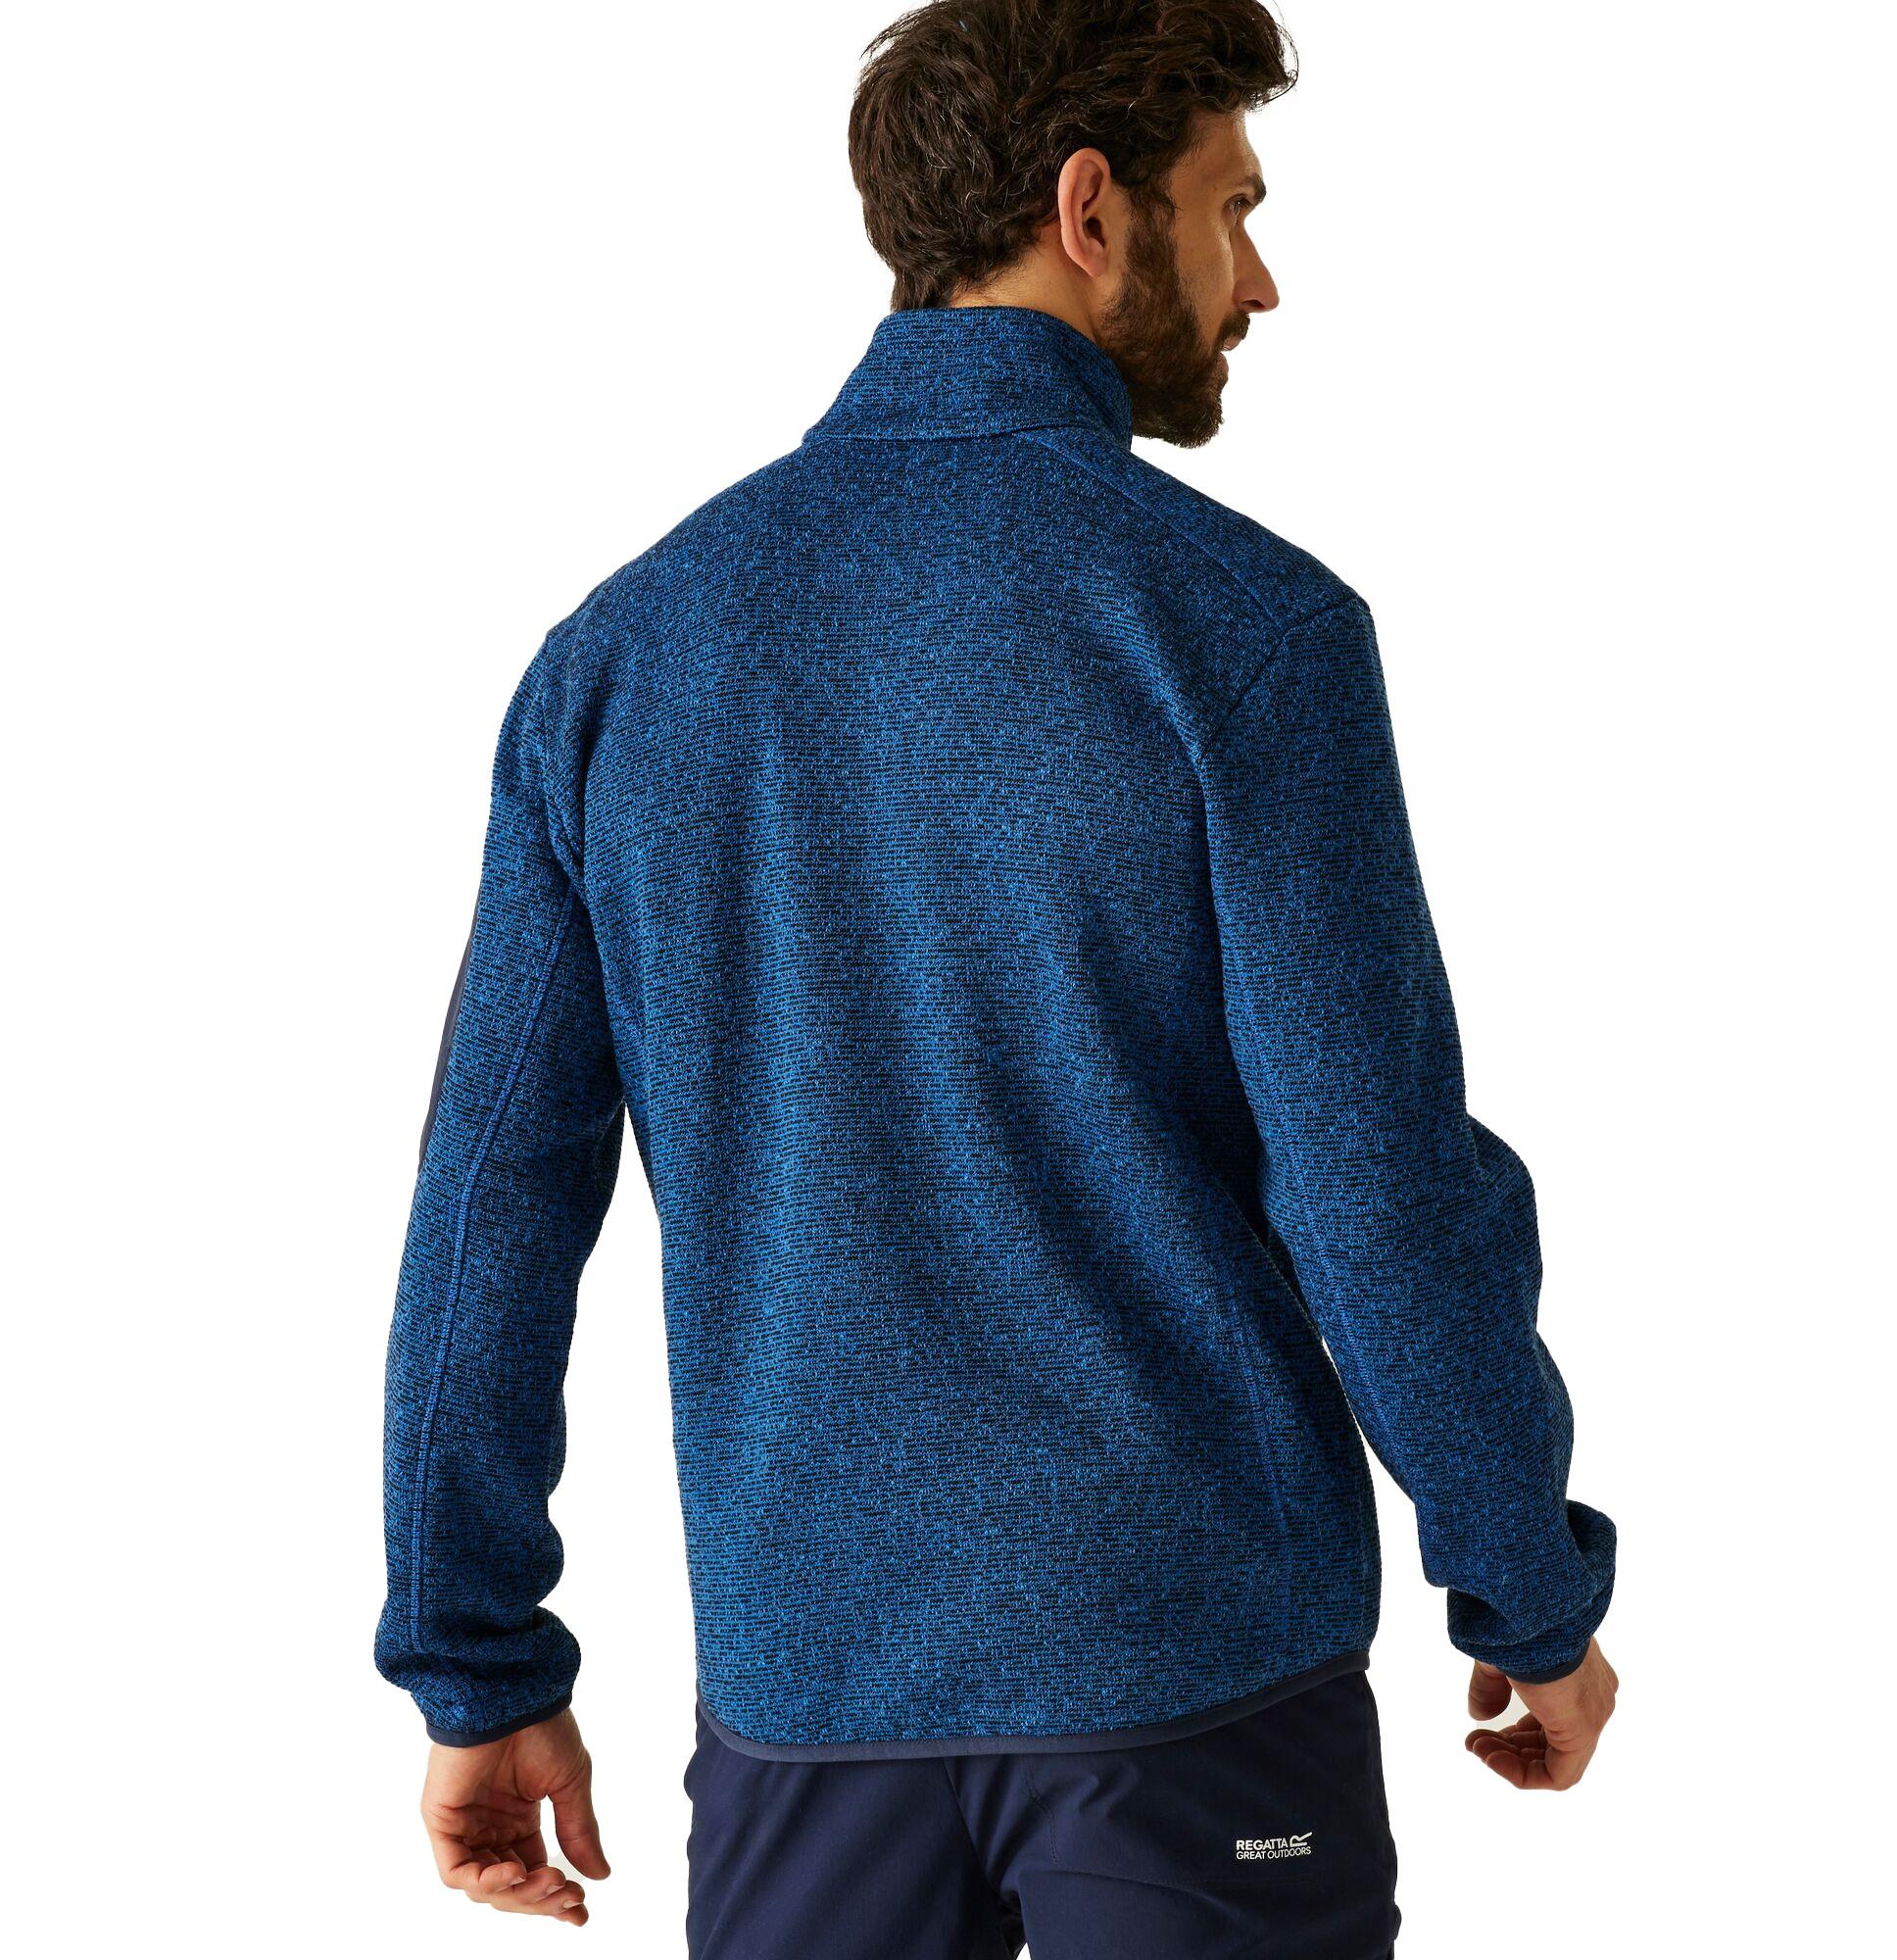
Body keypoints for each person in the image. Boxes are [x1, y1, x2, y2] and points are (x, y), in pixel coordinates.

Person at [374, 3, 1619, 1951]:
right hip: (1196, 1686)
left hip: (805, 1712)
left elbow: (491, 1205)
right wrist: (1525, 1584)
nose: (1261, 282)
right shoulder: (1243, 631)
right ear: (1091, 211)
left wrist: (476, 1664)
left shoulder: (619, 661)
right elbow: (1375, 1185)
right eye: (1234, 209)